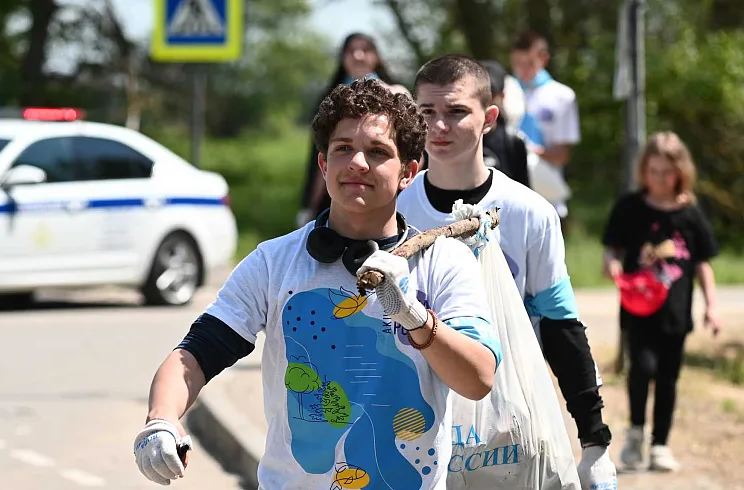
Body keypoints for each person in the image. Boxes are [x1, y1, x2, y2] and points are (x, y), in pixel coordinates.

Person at [134, 78, 502, 489]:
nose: (358, 163)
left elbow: (479, 379)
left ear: (409, 172)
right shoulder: (274, 263)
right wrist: (161, 419)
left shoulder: (444, 262)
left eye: (378, 152)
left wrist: (413, 316)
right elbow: (196, 355)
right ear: (324, 164)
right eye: (343, 148)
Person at [396, 54, 618, 489]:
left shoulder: (530, 213)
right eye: (427, 113)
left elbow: (560, 325)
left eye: (457, 112)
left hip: (508, 416)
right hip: (414, 415)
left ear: (489, 118)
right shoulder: (395, 211)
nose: (439, 127)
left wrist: (594, 442)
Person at [602, 132, 721, 473]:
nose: (659, 178)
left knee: (668, 377)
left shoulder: (690, 214)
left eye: (666, 172)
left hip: (676, 313)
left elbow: (702, 264)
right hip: (638, 310)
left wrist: (711, 305)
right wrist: (611, 264)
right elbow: (612, 247)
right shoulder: (630, 207)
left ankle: (660, 445)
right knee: (642, 368)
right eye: (653, 171)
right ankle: (636, 433)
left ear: (681, 171)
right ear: (644, 170)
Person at [297, 32, 408, 228]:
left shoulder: (397, 94)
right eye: (351, 51)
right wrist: (309, 206)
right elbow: (318, 157)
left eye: (365, 50)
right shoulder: (329, 99)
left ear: (376, 56)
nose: (358, 56)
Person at [510, 31, 580, 230]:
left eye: (528, 63)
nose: (522, 70)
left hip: (546, 194)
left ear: (543, 58)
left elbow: (562, 154)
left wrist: (529, 151)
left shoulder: (561, 96)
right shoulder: (505, 91)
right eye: (517, 63)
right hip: (508, 197)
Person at [478, 59, 530, 188]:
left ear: (501, 96)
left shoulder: (513, 142)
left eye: (491, 93)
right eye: (478, 94)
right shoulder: (453, 136)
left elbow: (523, 192)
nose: (485, 101)